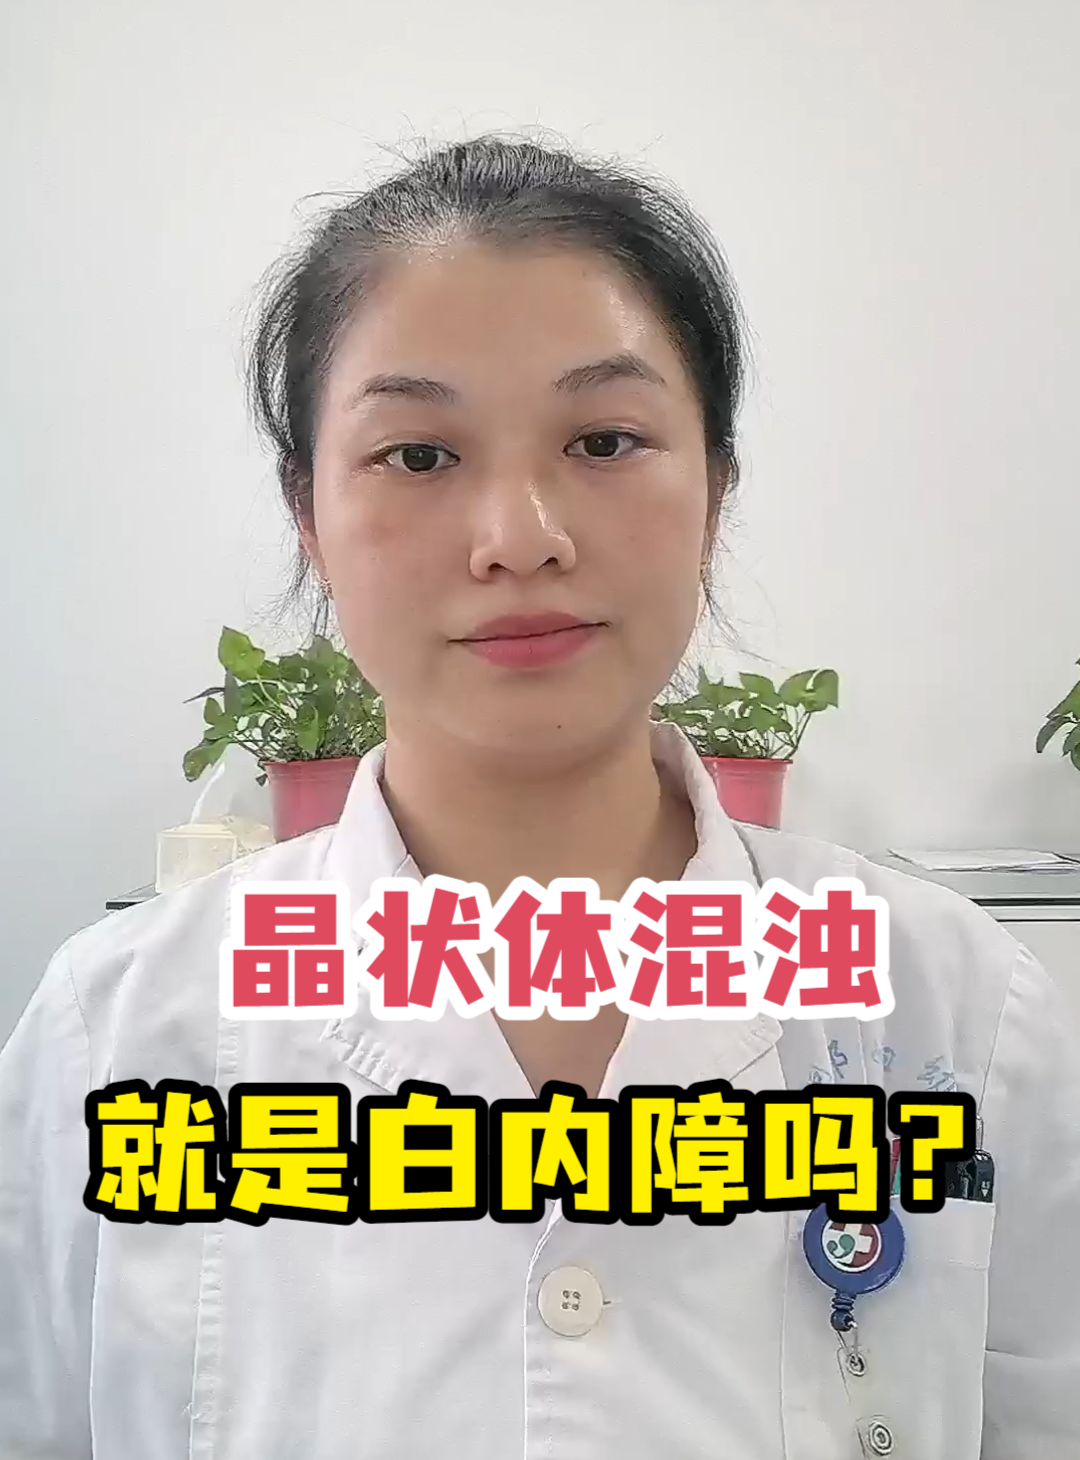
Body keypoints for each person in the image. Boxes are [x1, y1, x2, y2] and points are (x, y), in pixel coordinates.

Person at [0, 135, 1077, 1460]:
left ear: (716, 492)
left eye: (605, 440)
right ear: (309, 519)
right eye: (417, 455)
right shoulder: (114, 1039)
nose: (520, 536)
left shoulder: (959, 1013)